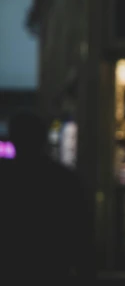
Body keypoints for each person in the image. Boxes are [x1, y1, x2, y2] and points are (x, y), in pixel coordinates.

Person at [0, 113, 92, 286]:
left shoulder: (5, 177)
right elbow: (81, 230)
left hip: (9, 268)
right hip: (53, 268)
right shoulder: (65, 179)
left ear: (12, 138)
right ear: (43, 139)